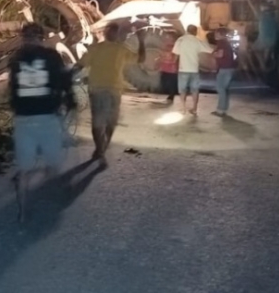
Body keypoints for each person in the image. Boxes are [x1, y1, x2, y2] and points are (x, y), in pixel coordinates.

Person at [9, 22, 76, 222]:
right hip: (47, 117)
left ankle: (23, 212)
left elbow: (12, 88)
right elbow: (64, 81)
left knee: (25, 169)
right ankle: (53, 200)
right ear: (42, 38)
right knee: (53, 164)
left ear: (23, 38)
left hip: (23, 119)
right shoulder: (52, 56)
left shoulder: (16, 58)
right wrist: (70, 100)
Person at [75, 20, 147, 166]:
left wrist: (65, 76)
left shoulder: (96, 48)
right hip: (113, 90)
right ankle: (102, 147)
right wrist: (141, 40)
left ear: (105, 33)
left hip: (97, 89)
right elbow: (141, 58)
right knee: (110, 121)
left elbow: (79, 65)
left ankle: (100, 148)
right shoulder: (121, 49)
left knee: (98, 121)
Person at [172, 24, 213, 116]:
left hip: (183, 69)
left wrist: (174, 64)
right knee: (195, 90)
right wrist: (204, 38)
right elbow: (209, 50)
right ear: (195, 32)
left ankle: (183, 108)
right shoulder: (197, 41)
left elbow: (175, 53)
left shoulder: (181, 40)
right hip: (194, 70)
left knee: (182, 90)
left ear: (187, 30)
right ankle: (194, 108)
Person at [212, 27, 237, 116]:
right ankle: (224, 109)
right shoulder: (227, 43)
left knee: (220, 88)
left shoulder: (221, 42)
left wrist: (213, 54)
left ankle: (220, 109)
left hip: (224, 68)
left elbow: (220, 55)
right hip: (230, 68)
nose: (215, 35)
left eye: (216, 33)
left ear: (220, 34)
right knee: (225, 89)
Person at [157, 30, 179, 104]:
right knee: (165, 81)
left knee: (171, 82)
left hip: (171, 68)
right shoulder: (165, 46)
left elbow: (175, 57)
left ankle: (171, 96)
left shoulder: (175, 47)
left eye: (168, 36)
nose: (166, 37)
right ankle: (170, 96)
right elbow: (161, 55)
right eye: (166, 36)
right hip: (165, 67)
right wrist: (159, 60)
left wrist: (173, 61)